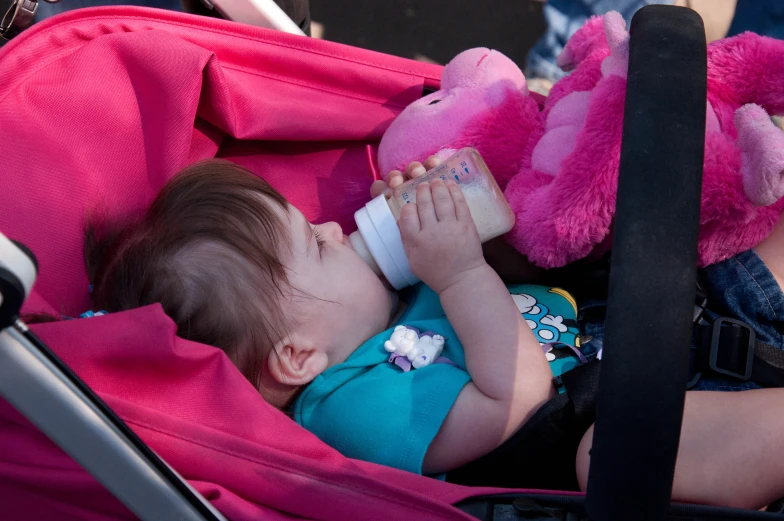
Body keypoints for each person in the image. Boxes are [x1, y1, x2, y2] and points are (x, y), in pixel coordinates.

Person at [86, 157, 784, 510]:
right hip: (617, 418)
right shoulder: (347, 404)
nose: (336, 229)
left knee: (749, 259)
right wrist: (456, 271)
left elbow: (528, 280)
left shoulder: (386, 302)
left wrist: (471, 223)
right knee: (616, 453)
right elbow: (514, 392)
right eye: (318, 246)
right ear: (298, 355)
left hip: (658, 318)